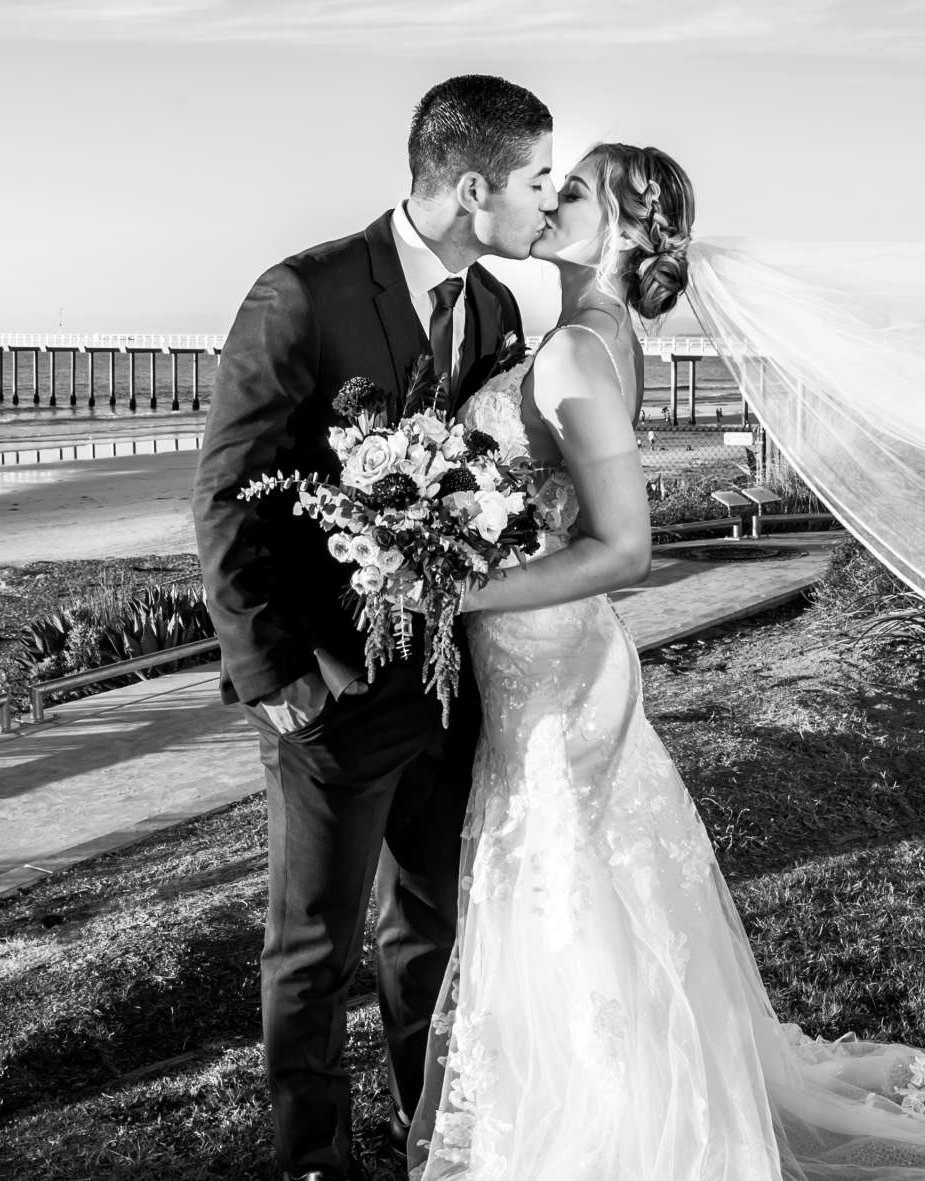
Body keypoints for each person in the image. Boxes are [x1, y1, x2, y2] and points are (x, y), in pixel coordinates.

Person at [409, 142, 925, 1180]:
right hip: (548, 663)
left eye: (572, 190)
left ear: (627, 229)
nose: (552, 204)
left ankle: (616, 1133)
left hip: (549, 661)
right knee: (577, 884)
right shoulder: (597, 336)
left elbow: (625, 549)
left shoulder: (580, 348)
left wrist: (454, 588)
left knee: (567, 881)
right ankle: (586, 1104)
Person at [194, 74, 557, 1181]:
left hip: (449, 688)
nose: (549, 201)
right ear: (472, 184)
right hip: (330, 687)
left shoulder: (491, 309)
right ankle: (315, 1162)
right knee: (313, 948)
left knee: (429, 933)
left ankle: (429, 1136)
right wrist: (275, 674)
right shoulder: (302, 294)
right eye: (538, 179)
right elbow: (227, 491)